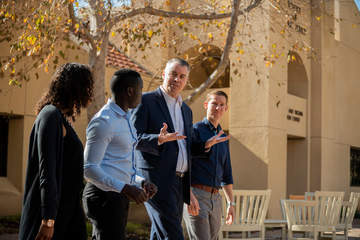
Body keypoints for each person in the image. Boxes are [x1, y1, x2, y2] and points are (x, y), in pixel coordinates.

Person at [132, 58, 228, 240]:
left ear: (186, 80)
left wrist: (204, 145)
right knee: (172, 234)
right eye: (173, 75)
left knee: (161, 233)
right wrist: (158, 139)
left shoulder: (186, 110)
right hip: (155, 181)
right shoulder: (146, 101)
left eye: (182, 77)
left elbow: (186, 145)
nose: (177, 80)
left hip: (179, 182)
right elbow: (133, 138)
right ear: (163, 75)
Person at [19, 63, 94, 240]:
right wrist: (48, 220)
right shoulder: (50, 115)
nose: (89, 92)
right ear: (75, 87)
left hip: (69, 215)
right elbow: (47, 171)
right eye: (87, 86)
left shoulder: (61, 118)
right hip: (53, 219)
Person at [82, 69, 157, 240]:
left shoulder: (126, 117)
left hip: (118, 196)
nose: (141, 94)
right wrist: (125, 188)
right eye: (140, 89)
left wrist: (141, 181)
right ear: (130, 91)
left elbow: (120, 163)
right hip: (103, 197)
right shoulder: (104, 121)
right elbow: (89, 169)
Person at [183, 90, 234, 240]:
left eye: (222, 105)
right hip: (196, 195)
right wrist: (188, 195)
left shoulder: (223, 137)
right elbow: (184, 164)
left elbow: (227, 174)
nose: (218, 108)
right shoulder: (195, 130)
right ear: (206, 105)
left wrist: (231, 203)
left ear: (226, 108)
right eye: (214, 104)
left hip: (216, 199)